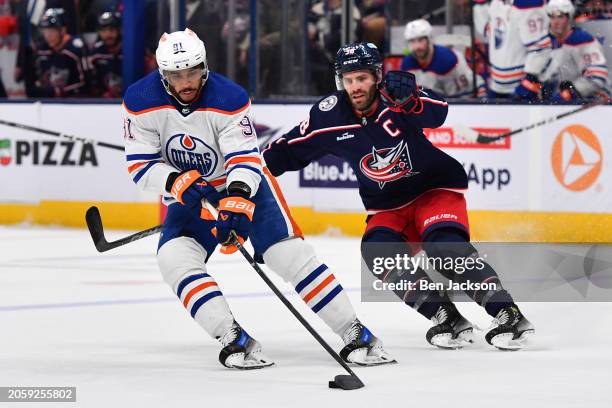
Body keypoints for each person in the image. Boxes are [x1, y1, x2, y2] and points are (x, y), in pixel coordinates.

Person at [121, 29, 394, 369]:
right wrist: (179, 183)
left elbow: (244, 159)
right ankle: (232, 337)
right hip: (190, 195)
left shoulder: (228, 97)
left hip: (246, 186)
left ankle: (356, 332)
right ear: (164, 75)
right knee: (174, 259)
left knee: (286, 255)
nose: (186, 81)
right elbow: (140, 165)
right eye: (177, 75)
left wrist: (235, 202)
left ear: (204, 67)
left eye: (192, 72)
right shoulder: (141, 100)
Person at [262, 41, 534, 350]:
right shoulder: (329, 115)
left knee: (443, 248)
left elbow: (438, 113)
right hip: (388, 207)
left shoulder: (397, 97)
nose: (355, 87)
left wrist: (413, 99)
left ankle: (507, 313)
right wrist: (240, 169)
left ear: (377, 76)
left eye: (362, 78)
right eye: (348, 80)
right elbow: (283, 152)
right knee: (378, 253)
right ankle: (447, 316)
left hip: (433, 189)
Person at [473, 0, 552, 100]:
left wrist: (530, 80)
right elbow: (491, 34)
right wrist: (480, 5)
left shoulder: (528, 3)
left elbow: (541, 48)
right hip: (495, 86)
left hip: (519, 88)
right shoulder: (496, 3)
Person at [541, 0, 609, 103]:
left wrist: (570, 93)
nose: (555, 21)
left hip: (590, 105)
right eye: (552, 17)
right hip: (558, 105)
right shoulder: (546, 42)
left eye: (560, 16)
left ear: (569, 18)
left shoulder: (583, 40)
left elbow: (597, 77)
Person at [401, 19, 486, 98]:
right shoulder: (407, 64)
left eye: (421, 40)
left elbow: (463, 96)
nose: (417, 46)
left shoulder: (448, 60)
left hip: (471, 97)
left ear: (429, 39)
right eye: (412, 41)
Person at [30, 8, 88, 97]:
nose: (48, 36)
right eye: (45, 31)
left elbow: (85, 84)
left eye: (51, 31)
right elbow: (39, 78)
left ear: (63, 30)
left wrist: (60, 91)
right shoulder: (42, 50)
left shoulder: (75, 49)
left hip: (74, 103)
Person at [89, 10, 122, 97]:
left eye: (111, 30)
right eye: (103, 30)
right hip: (103, 102)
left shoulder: (131, 50)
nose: (108, 34)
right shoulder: (95, 53)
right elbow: (91, 82)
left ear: (118, 30)